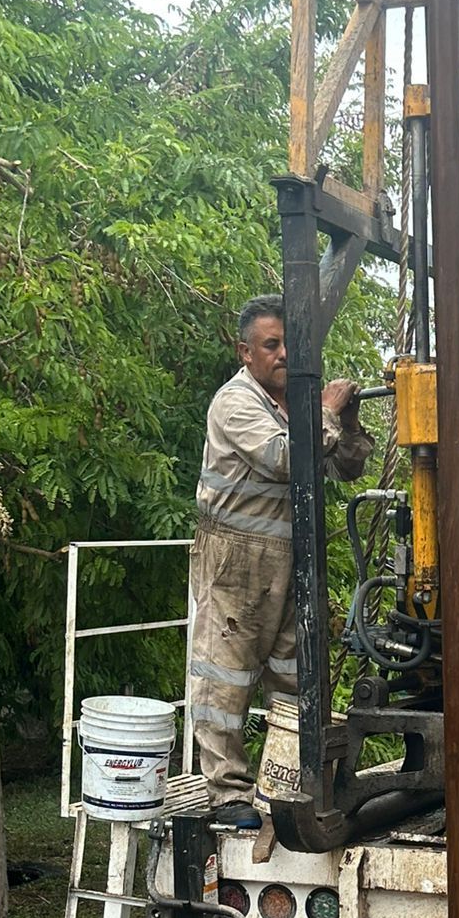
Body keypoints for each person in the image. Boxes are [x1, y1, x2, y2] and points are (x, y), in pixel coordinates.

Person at [190, 295, 374, 827]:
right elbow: (284, 458)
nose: (284, 354)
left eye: (290, 343)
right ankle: (227, 793)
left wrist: (348, 419)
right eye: (272, 345)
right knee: (226, 676)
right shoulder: (237, 402)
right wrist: (327, 412)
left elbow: (348, 468)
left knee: (296, 677)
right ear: (245, 351)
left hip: (294, 559)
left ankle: (288, 782)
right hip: (237, 559)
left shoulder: (296, 403)